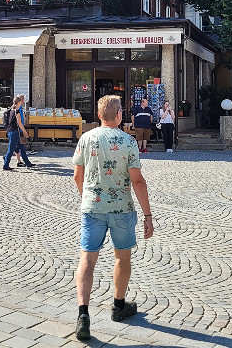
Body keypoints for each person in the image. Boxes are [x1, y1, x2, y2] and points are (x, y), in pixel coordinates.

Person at [73, 95, 153, 339]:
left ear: (98, 115)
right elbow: (137, 181)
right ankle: (119, 305)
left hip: (92, 208)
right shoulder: (128, 142)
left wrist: (88, 198)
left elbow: (77, 176)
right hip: (121, 208)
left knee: (87, 258)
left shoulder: (86, 138)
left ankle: (83, 314)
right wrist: (148, 215)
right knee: (122, 256)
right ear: (119, 115)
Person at [3, 96, 33, 170]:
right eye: (21, 102)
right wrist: (25, 132)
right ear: (19, 102)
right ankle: (6, 165)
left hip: (10, 131)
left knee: (21, 147)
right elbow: (19, 123)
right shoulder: (17, 111)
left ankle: (27, 163)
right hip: (15, 132)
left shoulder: (10, 110)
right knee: (11, 149)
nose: (21, 103)